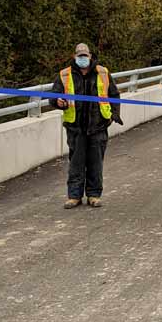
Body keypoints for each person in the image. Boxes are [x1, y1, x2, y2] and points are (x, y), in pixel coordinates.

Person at [49, 43, 122, 208]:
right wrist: (58, 102)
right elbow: (53, 96)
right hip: (76, 128)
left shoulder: (102, 72)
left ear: (90, 56)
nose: (82, 58)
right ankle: (74, 196)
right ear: (75, 56)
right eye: (79, 55)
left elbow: (114, 94)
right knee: (76, 163)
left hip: (98, 126)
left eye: (85, 55)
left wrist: (114, 115)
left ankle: (94, 195)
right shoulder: (65, 75)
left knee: (96, 163)